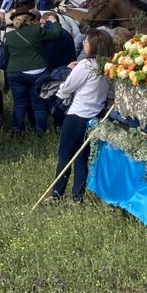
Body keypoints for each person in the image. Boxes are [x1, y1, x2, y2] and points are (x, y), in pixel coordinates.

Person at [50, 30, 116, 202]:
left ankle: (57, 193)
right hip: (94, 116)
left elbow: (68, 87)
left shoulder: (85, 65)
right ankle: (77, 196)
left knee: (65, 155)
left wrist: (68, 71)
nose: (84, 44)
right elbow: (110, 94)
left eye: (86, 41)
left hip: (77, 114)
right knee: (81, 157)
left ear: (93, 44)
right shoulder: (107, 67)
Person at [1, 7, 50, 137]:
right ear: (29, 20)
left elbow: (6, 56)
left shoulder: (9, 36)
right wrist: (54, 22)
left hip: (15, 72)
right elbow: (56, 34)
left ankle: (18, 130)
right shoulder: (37, 30)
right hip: (37, 71)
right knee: (39, 105)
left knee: (19, 104)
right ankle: (40, 132)